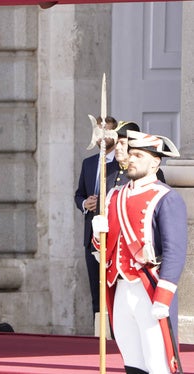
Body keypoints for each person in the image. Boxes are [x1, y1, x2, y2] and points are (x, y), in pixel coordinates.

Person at [91, 130, 186, 374]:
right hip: (120, 286)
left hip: (149, 288)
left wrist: (163, 298)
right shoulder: (114, 196)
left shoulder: (166, 197)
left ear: (155, 162)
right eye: (130, 154)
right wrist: (97, 233)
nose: (131, 159)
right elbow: (105, 248)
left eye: (139, 155)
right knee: (132, 361)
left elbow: (175, 252)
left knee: (158, 362)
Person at [74, 115, 119, 317]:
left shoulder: (121, 164)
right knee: (95, 285)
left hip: (112, 235)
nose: (102, 137)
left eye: (106, 131)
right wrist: (85, 203)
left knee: (114, 287)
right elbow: (79, 194)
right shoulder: (89, 163)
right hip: (90, 234)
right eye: (98, 132)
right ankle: (98, 329)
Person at [113, 121, 165, 186]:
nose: (117, 147)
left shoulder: (148, 169)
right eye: (116, 143)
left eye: (122, 143)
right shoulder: (107, 168)